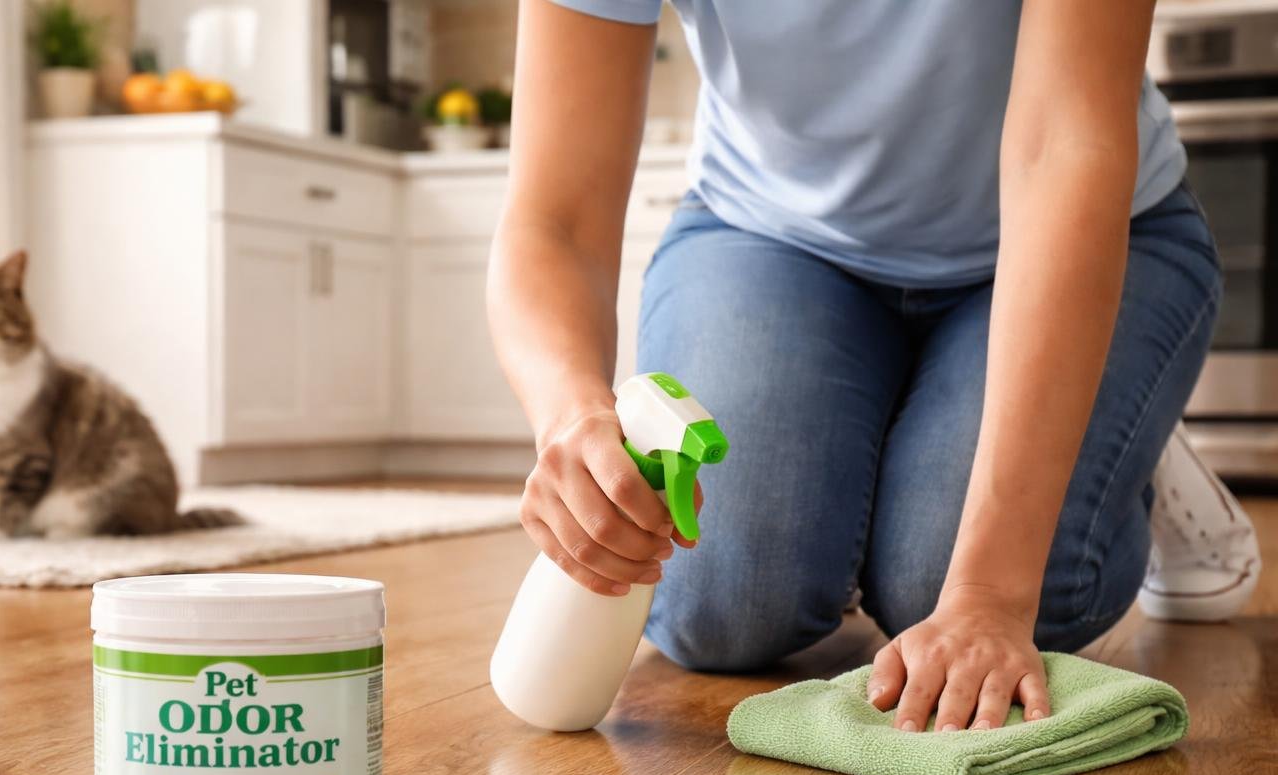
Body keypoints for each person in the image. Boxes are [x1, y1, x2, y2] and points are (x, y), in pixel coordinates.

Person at [488, 0, 1262, 733]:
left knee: (956, 585)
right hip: (773, 236)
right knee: (720, 605)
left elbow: (1064, 142)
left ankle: (1118, 423)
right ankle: (926, 414)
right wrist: (570, 414)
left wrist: (989, 595)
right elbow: (555, 217)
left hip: (1072, 229)